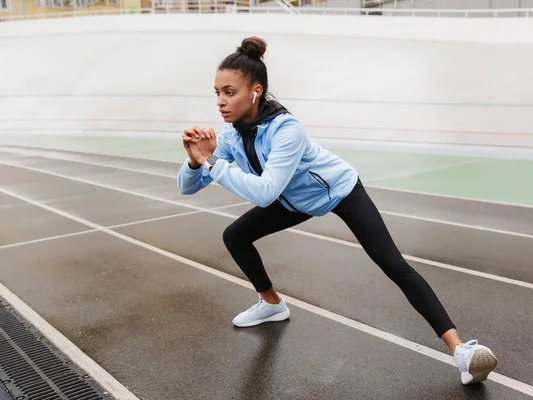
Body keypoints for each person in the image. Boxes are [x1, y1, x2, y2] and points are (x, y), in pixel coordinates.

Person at [177, 36, 498, 385]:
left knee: (392, 263)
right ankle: (271, 304)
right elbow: (186, 187)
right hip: (295, 200)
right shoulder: (230, 137)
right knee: (235, 235)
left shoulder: (287, 129)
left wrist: (210, 161)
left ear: (255, 91)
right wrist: (195, 161)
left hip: (340, 190)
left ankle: (460, 350)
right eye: (217, 93)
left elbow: (266, 192)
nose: (221, 102)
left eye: (229, 92)